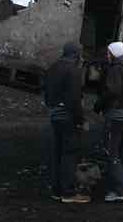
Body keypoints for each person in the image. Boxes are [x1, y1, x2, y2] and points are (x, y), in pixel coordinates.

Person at [43, 42, 90, 204]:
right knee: (69, 154)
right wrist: (81, 120)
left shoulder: (52, 68)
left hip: (54, 115)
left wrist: (53, 107)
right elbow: (75, 100)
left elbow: (46, 92)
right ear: (76, 54)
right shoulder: (74, 71)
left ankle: (56, 191)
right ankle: (68, 193)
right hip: (68, 117)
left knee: (57, 153)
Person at [94, 41, 123, 203]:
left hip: (116, 117)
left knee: (112, 153)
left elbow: (113, 91)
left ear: (114, 54)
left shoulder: (115, 70)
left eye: (108, 53)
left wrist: (98, 105)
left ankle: (120, 190)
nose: (107, 55)